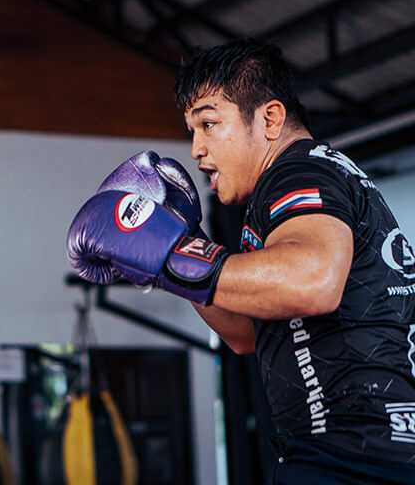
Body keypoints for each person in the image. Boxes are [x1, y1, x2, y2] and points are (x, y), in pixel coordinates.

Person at [67, 39, 415, 483]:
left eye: (209, 124)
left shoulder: (299, 171)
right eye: (192, 131)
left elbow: (313, 280)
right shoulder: (293, 187)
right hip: (342, 451)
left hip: (355, 456)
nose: (196, 149)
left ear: (269, 118)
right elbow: (246, 332)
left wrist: (170, 253)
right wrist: (175, 250)